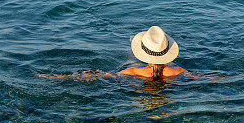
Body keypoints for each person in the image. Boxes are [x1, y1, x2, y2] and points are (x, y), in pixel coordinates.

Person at [38, 25, 190, 81]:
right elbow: (205, 78)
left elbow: (98, 75)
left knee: (130, 59)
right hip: (166, 79)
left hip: (140, 78)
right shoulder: (178, 72)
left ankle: (131, 44)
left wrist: (58, 77)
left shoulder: (133, 71)